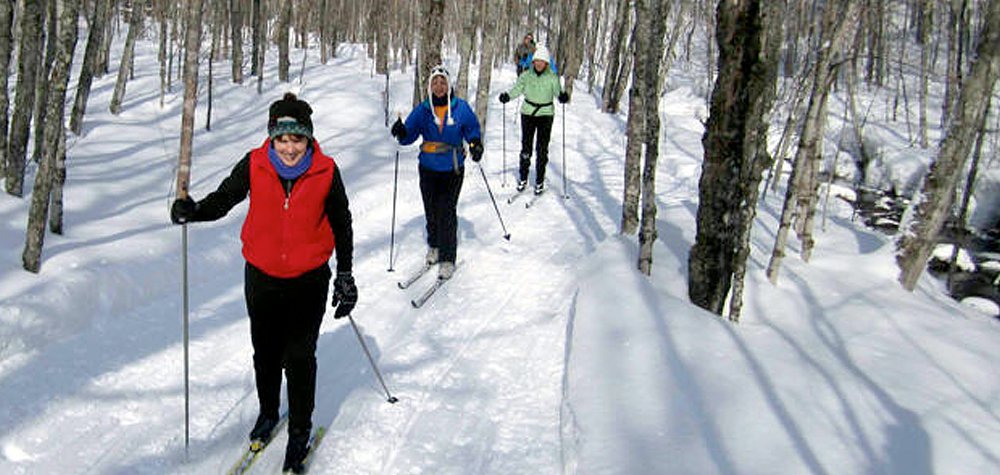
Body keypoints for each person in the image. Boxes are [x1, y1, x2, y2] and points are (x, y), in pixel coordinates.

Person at [169, 92, 356, 474]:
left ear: (308, 138)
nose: (289, 148)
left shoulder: (325, 170)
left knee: (299, 358)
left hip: (308, 280)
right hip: (261, 276)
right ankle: (269, 413)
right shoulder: (254, 164)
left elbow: (342, 222)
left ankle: (299, 434)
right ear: (272, 137)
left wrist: (346, 274)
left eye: (297, 138)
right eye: (283, 139)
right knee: (266, 354)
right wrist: (194, 210)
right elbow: (225, 198)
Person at [390, 65, 483, 280]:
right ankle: (434, 245)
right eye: (435, 83)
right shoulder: (423, 110)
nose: (439, 87)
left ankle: (448, 257)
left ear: (448, 86)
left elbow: (472, 130)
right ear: (430, 86)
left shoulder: (461, 108)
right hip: (428, 168)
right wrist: (401, 131)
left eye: (442, 83)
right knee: (431, 209)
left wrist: (476, 144)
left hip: (452, 168)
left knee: (447, 211)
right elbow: (408, 136)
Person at [498, 45, 569, 195]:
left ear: (546, 63)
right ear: (533, 62)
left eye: (542, 61)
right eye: (536, 61)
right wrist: (508, 96)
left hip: (545, 114)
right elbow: (517, 89)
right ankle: (523, 177)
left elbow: (558, 92)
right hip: (528, 113)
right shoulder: (526, 76)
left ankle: (539, 181)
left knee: (542, 149)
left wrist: (563, 96)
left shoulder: (552, 77)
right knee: (526, 148)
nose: (539, 64)